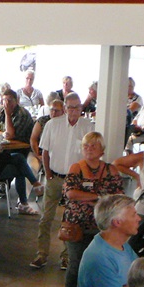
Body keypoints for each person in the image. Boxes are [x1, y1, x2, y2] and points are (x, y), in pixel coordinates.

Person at [61, 132, 124, 287]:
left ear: (101, 150)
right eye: (86, 146)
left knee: (100, 265)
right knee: (75, 264)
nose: (89, 149)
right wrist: (98, 197)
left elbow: (117, 195)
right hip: (77, 225)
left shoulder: (111, 170)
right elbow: (71, 193)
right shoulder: (76, 168)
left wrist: (88, 196)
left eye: (93, 146)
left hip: (102, 226)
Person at [32, 92, 94, 270]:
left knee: (71, 220)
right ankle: (42, 254)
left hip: (75, 182)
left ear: (81, 108)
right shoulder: (52, 124)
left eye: (77, 107)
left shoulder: (88, 127)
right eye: (70, 107)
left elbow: (90, 155)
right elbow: (44, 151)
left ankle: (67, 256)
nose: (73, 111)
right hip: (55, 177)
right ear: (65, 108)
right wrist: (48, 173)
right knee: (46, 218)